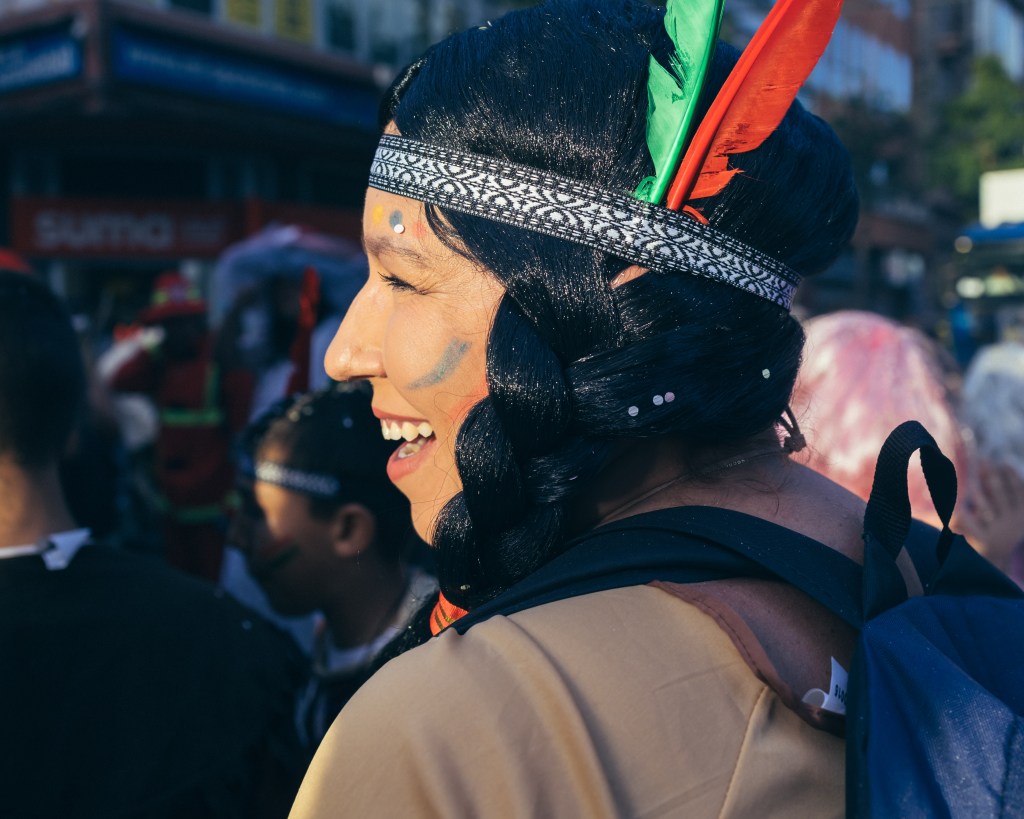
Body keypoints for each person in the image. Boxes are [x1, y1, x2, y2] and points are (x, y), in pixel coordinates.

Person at [293, 1, 862, 815]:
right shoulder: (922, 572)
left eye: (401, 278)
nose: (342, 353)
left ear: (599, 308)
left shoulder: (448, 727)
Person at [0, 271, 306, 818]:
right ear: (72, 429)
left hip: (203, 514)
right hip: (176, 519)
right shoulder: (239, 650)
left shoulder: (219, 369)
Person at [228, 382, 437, 752]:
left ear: (348, 530)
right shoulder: (321, 640)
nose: (235, 537)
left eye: (257, 513)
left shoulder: (430, 678)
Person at [106, 270, 254, 580]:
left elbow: (243, 430)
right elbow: (120, 381)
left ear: (197, 321)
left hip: (212, 512)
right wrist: (153, 351)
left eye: (181, 321)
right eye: (167, 324)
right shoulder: (161, 362)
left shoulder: (219, 361)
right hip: (172, 509)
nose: (174, 332)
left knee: (213, 589)